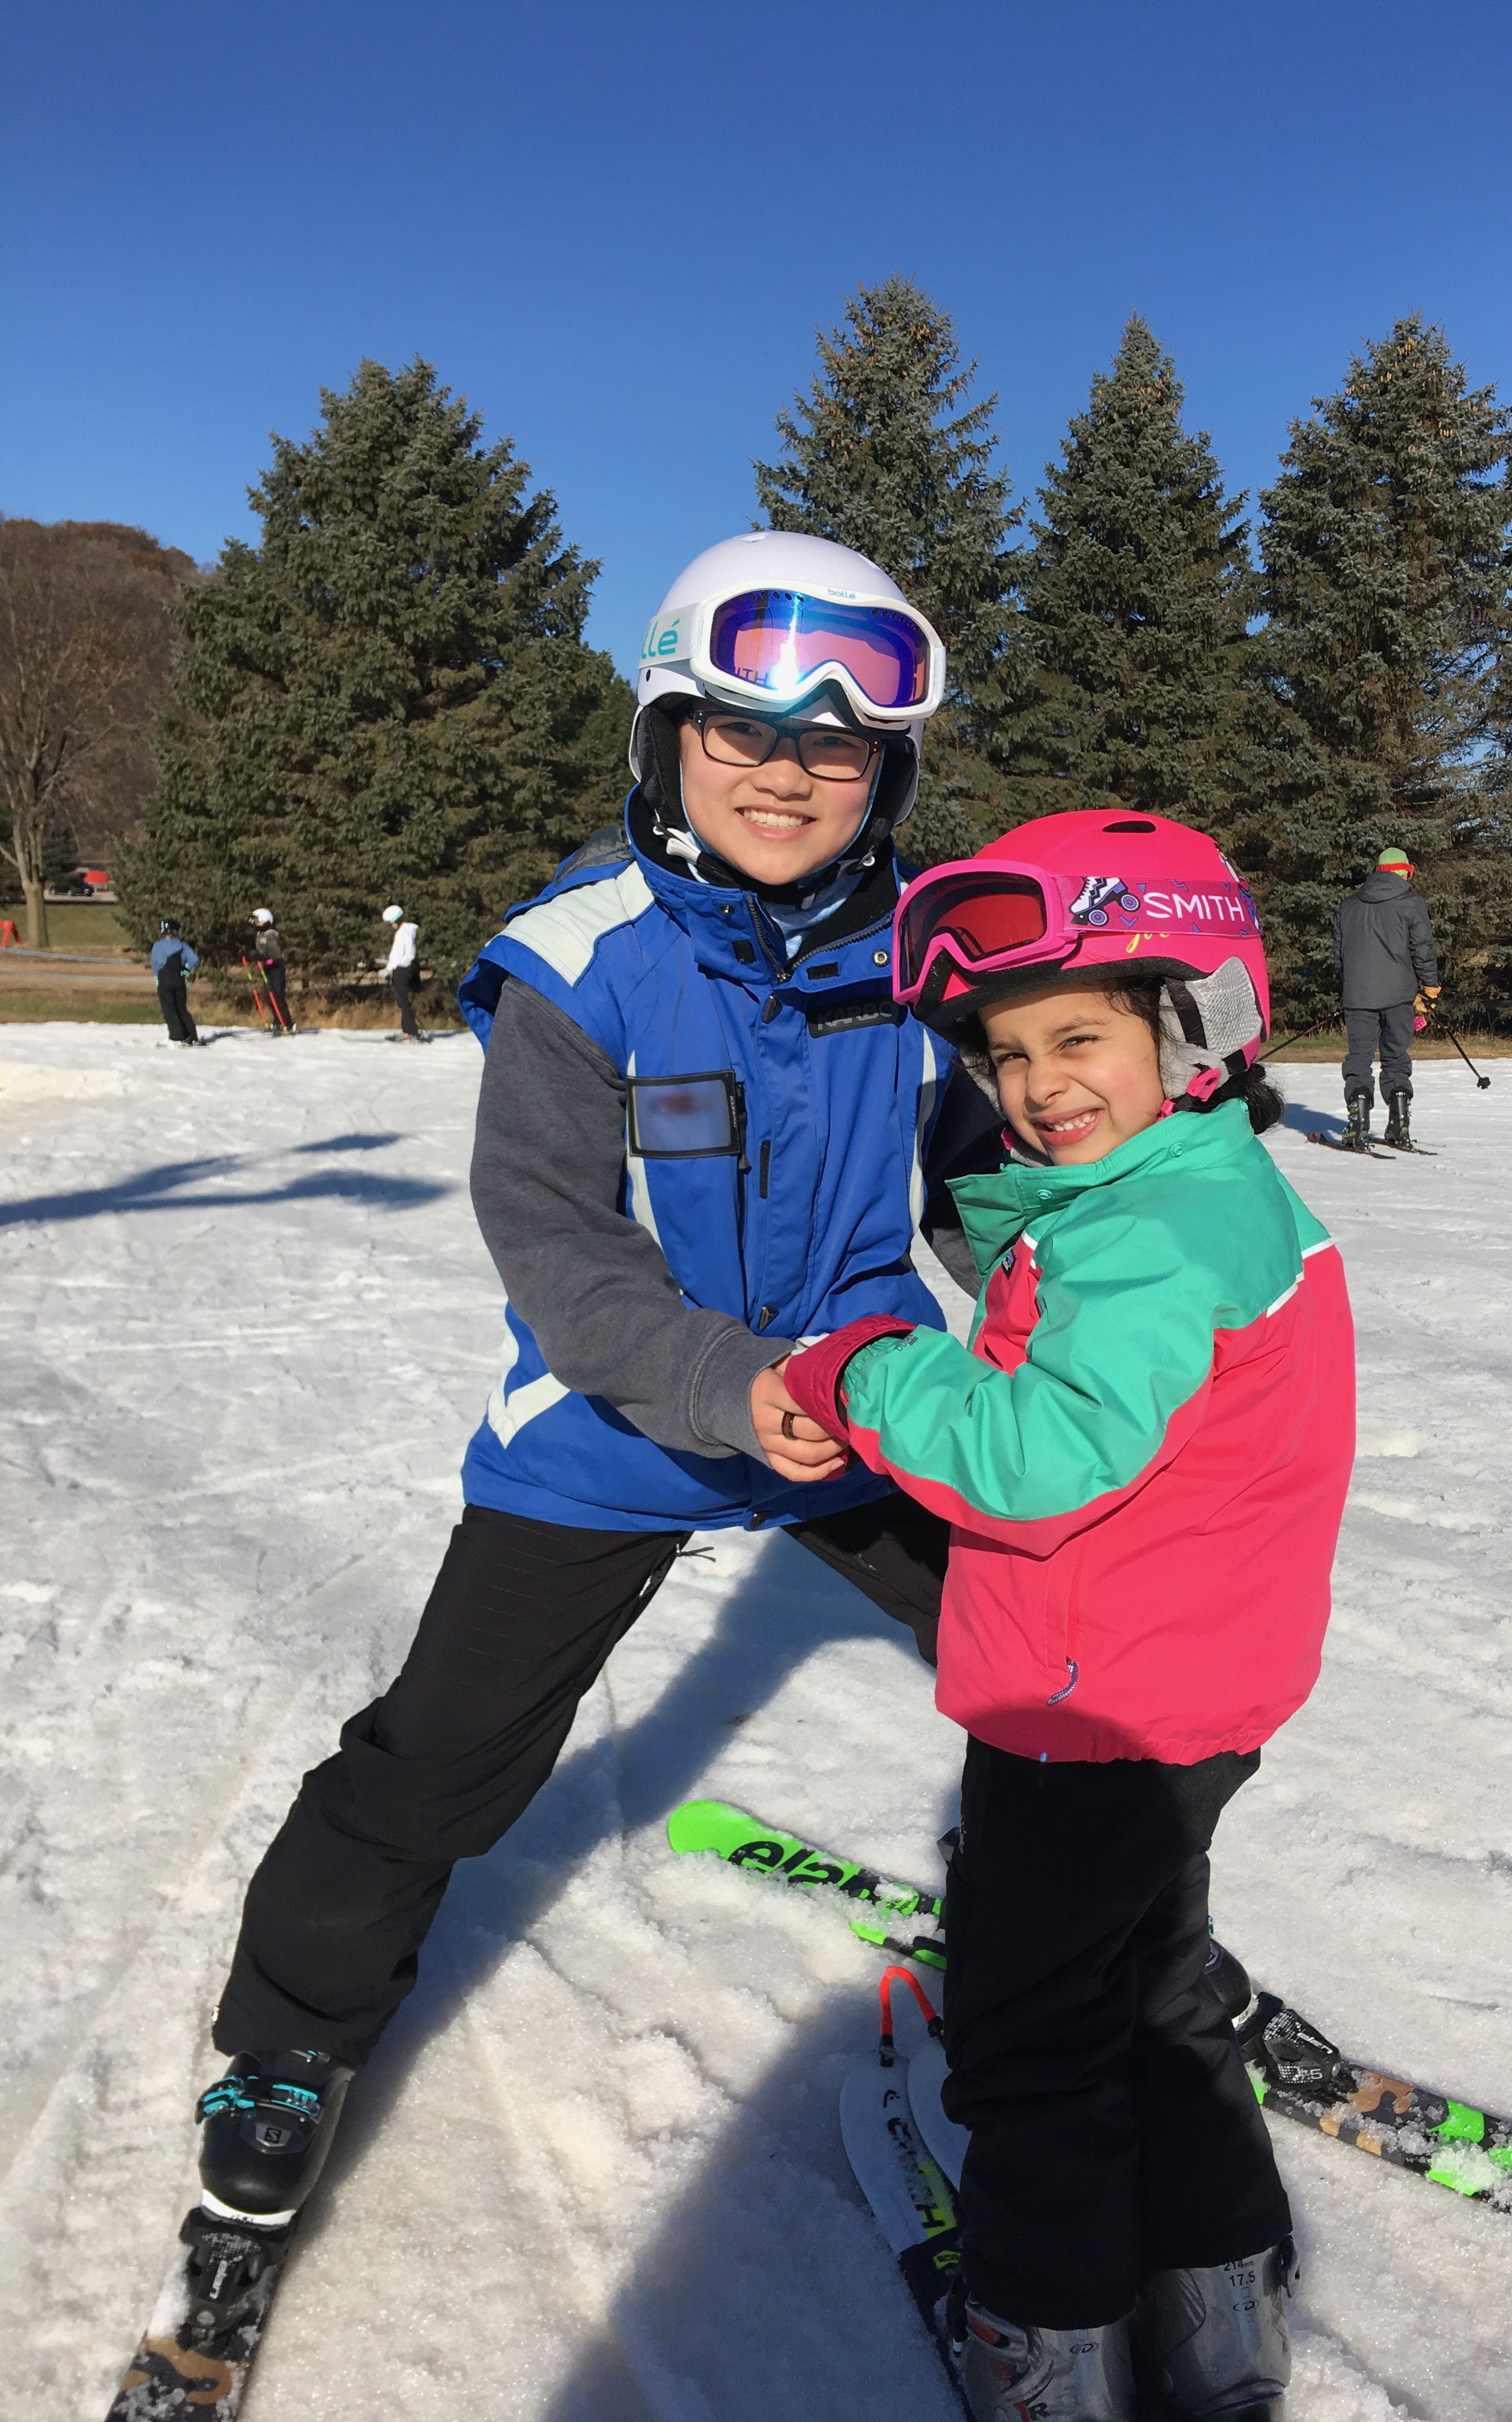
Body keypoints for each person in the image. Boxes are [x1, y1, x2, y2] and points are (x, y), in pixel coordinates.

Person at [191, 532, 1000, 2234]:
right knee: (443, 1759)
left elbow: (982, 1178)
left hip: (863, 1394)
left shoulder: (927, 951)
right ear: (665, 738)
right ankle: (287, 2035)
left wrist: (1075, 1310)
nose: (788, 775)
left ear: (889, 767)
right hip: (621, 1422)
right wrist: (726, 1379)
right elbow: (557, 1250)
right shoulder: (581, 956)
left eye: (836, 746)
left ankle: (1092, 1937)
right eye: (743, 734)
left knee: (1057, 1650)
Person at [779, 811, 1357, 2422]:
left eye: (1080, 1038)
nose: (1037, 1086)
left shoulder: (1147, 1235)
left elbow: (1034, 1463)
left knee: (1034, 2044)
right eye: (1004, 1053)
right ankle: (1217, 2308)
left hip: (1086, 1713)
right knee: (1161, 1995)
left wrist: (862, 1369)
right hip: (1193, 1696)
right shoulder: (1216, 1190)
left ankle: (1048, 2339)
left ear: (1197, 1023)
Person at [1332, 846, 1439, 1149]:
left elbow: (1340, 956)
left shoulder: (1349, 906)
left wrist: (1351, 985)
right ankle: (1399, 1124)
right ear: (1404, 871)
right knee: (1395, 1059)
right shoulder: (1411, 903)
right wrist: (1430, 990)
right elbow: (1423, 950)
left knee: (1360, 1059)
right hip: (1400, 997)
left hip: (1358, 997)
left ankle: (1358, 1122)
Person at [151, 917, 199, 1045]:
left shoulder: (158, 945)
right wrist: (186, 968)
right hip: (179, 980)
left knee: (169, 1010)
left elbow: (154, 964)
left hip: (164, 979)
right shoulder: (183, 946)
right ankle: (192, 1036)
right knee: (182, 1009)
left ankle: (177, 1037)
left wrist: (157, 978)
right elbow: (195, 960)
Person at [380, 904, 424, 1040]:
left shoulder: (404, 933)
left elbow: (402, 954)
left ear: (395, 921)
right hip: (401, 969)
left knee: (403, 1000)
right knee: (401, 1000)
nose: (390, 926)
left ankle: (411, 1032)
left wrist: (391, 968)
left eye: (389, 924)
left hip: (403, 969)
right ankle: (407, 1030)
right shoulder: (405, 931)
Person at [249, 908, 295, 1033]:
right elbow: (260, 951)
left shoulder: (271, 934)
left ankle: (287, 1023)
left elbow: (276, 954)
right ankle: (277, 1022)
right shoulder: (260, 935)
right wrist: (250, 955)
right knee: (269, 997)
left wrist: (264, 957)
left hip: (276, 968)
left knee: (277, 996)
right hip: (267, 968)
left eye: (257, 920)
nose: (254, 923)